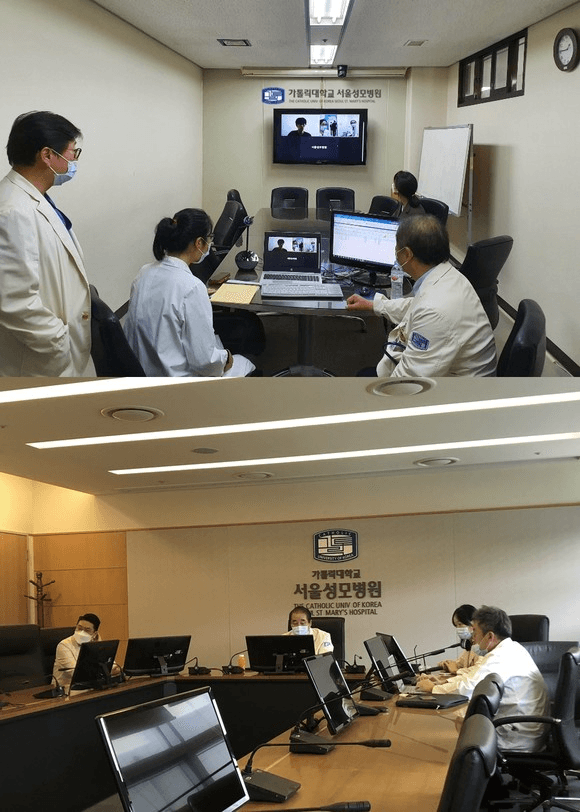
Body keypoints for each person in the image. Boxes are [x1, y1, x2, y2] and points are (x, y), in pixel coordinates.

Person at [0, 111, 92, 376]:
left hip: (54, 352)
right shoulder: (12, 211)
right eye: (72, 152)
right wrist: (58, 343)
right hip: (39, 360)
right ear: (48, 155)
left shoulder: (34, 199)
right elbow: (14, 302)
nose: (74, 160)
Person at [346, 215, 497, 377]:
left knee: (361, 381)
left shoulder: (435, 312)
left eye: (396, 246)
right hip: (451, 376)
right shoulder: (448, 276)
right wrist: (375, 305)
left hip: (455, 395)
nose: (395, 252)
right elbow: (416, 305)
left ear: (407, 254)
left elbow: (407, 384)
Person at [124, 208, 255, 377]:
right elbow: (205, 362)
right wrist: (227, 358)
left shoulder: (144, 273)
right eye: (209, 239)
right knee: (245, 363)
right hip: (178, 385)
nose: (209, 245)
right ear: (199, 243)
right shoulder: (192, 287)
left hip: (142, 373)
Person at [416, 605, 550, 751]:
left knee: (444, 736)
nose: (473, 637)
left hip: (516, 737)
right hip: (523, 728)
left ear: (490, 636)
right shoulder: (510, 649)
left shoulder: (501, 656)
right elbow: (473, 676)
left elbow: (469, 689)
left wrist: (433, 689)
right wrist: (444, 682)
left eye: (476, 632)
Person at [53, 613, 102, 689]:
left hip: (88, 687)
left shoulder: (94, 644)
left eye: (87, 630)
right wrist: (102, 672)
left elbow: (112, 666)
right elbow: (76, 674)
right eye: (79, 628)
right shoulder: (64, 646)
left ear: (94, 634)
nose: (82, 632)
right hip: (65, 690)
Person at [438, 603, 483, 674]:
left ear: (473, 623)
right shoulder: (470, 645)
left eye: (460, 624)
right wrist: (447, 664)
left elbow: (478, 671)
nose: (458, 629)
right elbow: (460, 664)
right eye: (456, 626)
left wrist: (456, 670)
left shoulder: (484, 646)